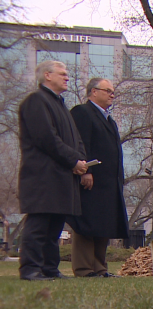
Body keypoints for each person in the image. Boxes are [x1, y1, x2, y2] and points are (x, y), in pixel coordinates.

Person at [17, 60, 88, 281]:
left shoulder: (60, 105)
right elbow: (47, 139)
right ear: (47, 75)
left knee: (54, 226)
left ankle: (49, 268)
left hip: (61, 176)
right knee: (39, 224)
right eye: (62, 73)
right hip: (42, 175)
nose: (67, 77)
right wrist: (73, 161)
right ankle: (30, 269)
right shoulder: (36, 101)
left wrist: (81, 161)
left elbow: (76, 139)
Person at [67, 78, 129, 277]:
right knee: (87, 223)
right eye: (108, 91)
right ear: (93, 91)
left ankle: (100, 268)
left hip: (109, 183)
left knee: (104, 224)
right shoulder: (82, 112)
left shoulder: (109, 120)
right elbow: (80, 143)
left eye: (113, 92)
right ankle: (84, 269)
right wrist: (86, 171)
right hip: (90, 181)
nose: (112, 94)